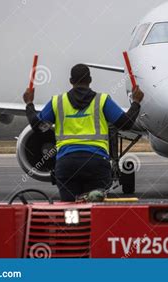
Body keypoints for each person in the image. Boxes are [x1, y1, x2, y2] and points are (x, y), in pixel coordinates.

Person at [23, 63, 144, 201]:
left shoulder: (57, 102)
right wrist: (136, 102)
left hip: (67, 164)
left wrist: (29, 104)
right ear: (90, 80)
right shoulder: (102, 101)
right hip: (96, 163)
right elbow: (125, 124)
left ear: (70, 81)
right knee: (95, 211)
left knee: (69, 210)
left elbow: (38, 127)